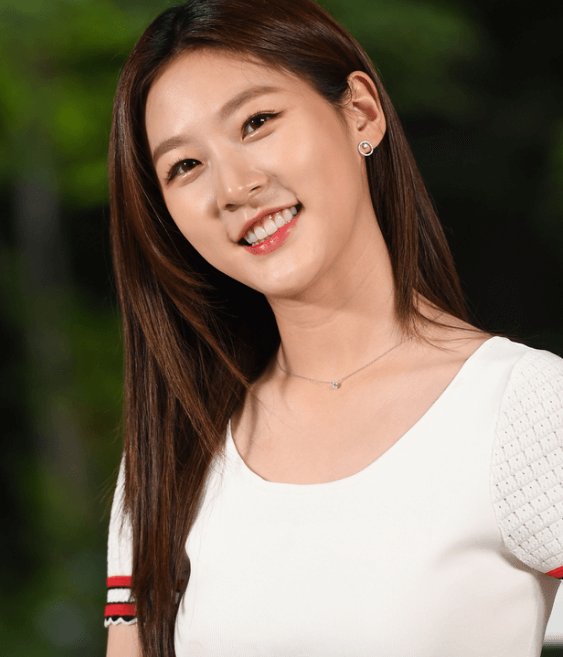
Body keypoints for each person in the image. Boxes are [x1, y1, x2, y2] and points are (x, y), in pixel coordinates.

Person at [104, 0, 563, 655]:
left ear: (361, 113)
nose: (233, 187)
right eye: (185, 166)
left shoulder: (521, 406)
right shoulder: (174, 446)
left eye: (256, 122)